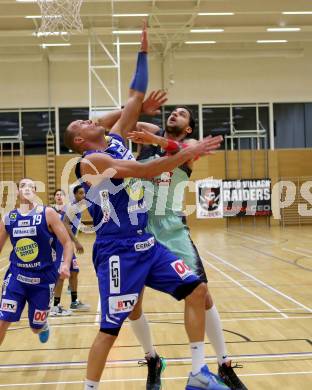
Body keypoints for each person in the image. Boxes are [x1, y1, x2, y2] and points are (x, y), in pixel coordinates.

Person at [64, 22, 227, 390]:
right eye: (84, 122)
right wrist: (190, 151)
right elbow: (146, 168)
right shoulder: (92, 163)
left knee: (197, 290)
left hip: (146, 243)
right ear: (79, 138)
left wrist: (142, 52)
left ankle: (198, 374)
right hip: (117, 251)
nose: (92, 120)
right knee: (110, 328)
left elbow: (136, 96)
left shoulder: (116, 140)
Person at [126, 106, 248, 390]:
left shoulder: (189, 146)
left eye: (182, 114)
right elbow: (127, 120)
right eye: (173, 111)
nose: (175, 114)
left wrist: (154, 141)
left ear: (190, 127)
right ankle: (152, 359)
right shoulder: (152, 135)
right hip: (140, 228)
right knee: (132, 304)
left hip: (171, 229)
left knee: (201, 294)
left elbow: (179, 149)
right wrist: (137, 107)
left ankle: (223, 363)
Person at [0, 178, 72, 345]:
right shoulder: (9, 218)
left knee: (35, 327)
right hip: (17, 277)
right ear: (17, 192)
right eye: (23, 185)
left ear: (35, 191)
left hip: (43, 279)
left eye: (31, 186)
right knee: (3, 321)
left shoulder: (47, 213)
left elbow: (67, 242)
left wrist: (66, 264)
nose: (27, 189)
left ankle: (43, 325)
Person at [50, 188, 90, 316]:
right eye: (80, 193)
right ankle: (55, 306)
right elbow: (65, 224)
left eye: (84, 193)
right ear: (75, 195)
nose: (83, 195)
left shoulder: (75, 207)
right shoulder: (72, 207)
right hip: (62, 245)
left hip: (67, 245)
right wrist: (76, 241)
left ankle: (74, 301)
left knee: (74, 272)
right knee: (62, 274)